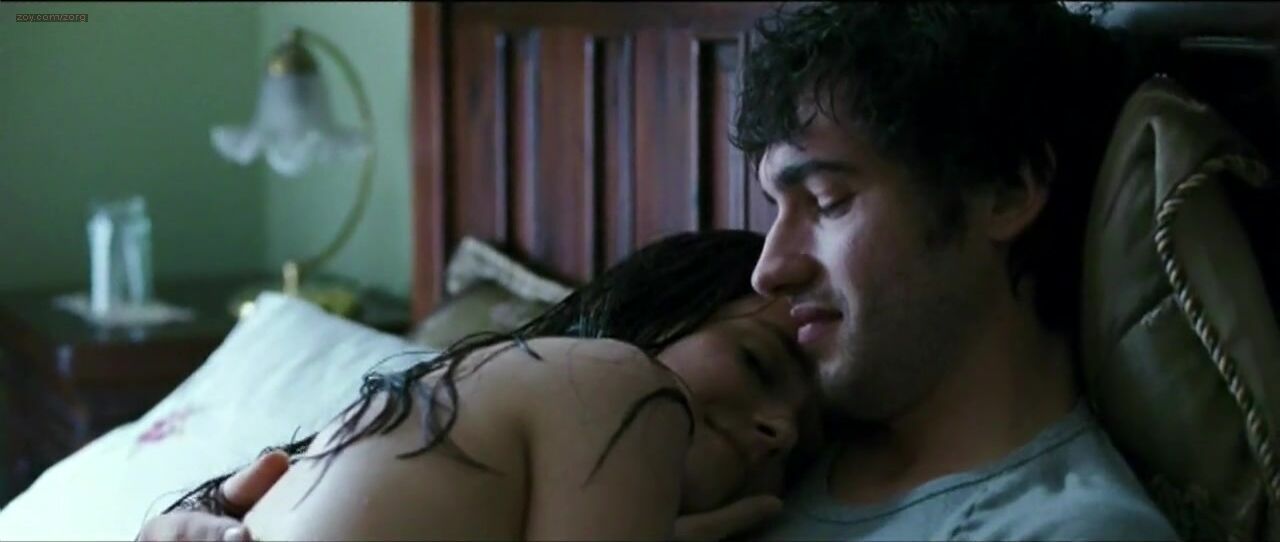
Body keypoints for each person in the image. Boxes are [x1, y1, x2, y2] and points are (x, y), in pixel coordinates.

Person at [141, 2, 1184, 541]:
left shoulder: (1058, 530)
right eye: (771, 210)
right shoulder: (702, 439)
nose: (773, 267)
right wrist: (201, 517)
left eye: (826, 202)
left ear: (1005, 188)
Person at [139, 230, 820, 541]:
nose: (784, 431)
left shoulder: (481, 443)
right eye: (757, 363)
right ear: (662, 312)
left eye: (810, 442)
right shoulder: (616, 380)